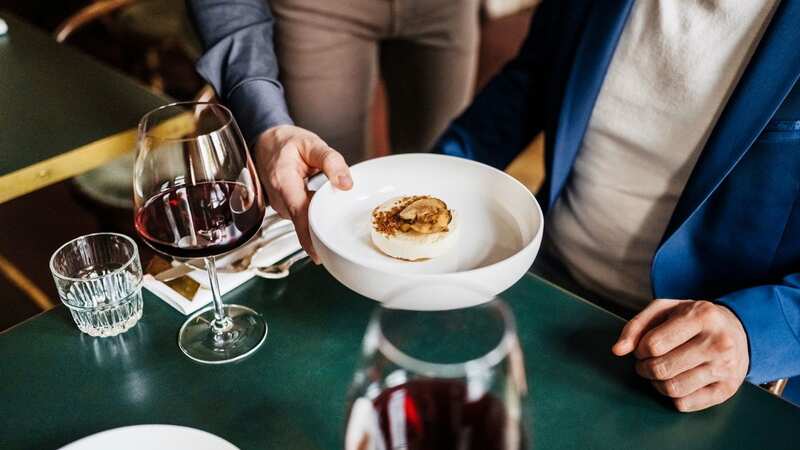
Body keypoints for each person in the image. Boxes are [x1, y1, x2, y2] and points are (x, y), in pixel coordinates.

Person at [255, 0, 800, 411]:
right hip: (539, 286)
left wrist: (753, 331)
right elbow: (532, 80)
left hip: (689, 355)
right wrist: (436, 176)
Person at [188, 0, 480, 164]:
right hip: (319, 10)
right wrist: (264, 119)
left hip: (447, 7)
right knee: (330, 177)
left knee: (439, 167)